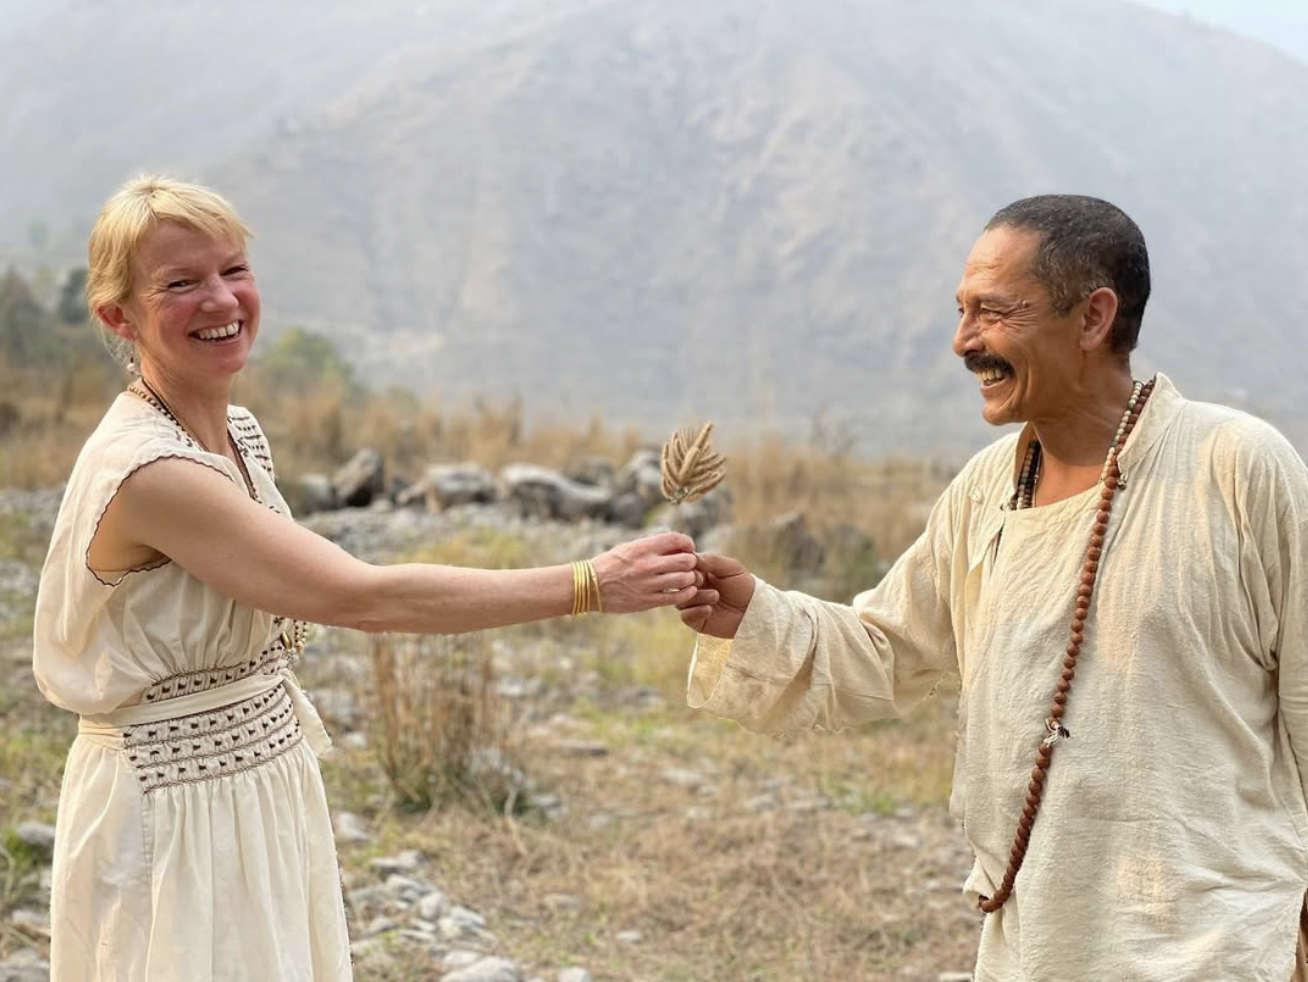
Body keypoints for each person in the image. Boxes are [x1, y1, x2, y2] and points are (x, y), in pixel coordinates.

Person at [32, 175, 701, 982]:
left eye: (232, 270)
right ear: (119, 315)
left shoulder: (236, 431)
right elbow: (358, 595)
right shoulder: (149, 471)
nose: (221, 300)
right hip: (172, 816)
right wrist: (589, 583)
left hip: (254, 790)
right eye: (180, 284)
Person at [678, 195, 1308, 981]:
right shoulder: (987, 489)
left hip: (1214, 939)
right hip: (1037, 937)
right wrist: (754, 618)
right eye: (961, 311)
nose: (962, 341)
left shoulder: (1238, 466)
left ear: (1093, 318)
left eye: (992, 312)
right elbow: (888, 645)